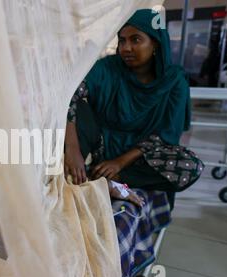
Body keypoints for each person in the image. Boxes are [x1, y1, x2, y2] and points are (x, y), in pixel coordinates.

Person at [64, 9, 204, 208]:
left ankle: (109, 180)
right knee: (77, 110)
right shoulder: (107, 68)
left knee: (189, 165)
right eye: (122, 40)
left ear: (155, 42)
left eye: (135, 40)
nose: (126, 48)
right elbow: (69, 95)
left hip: (139, 157)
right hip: (100, 143)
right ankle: (86, 171)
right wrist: (72, 149)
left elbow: (166, 133)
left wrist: (119, 163)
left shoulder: (174, 81)